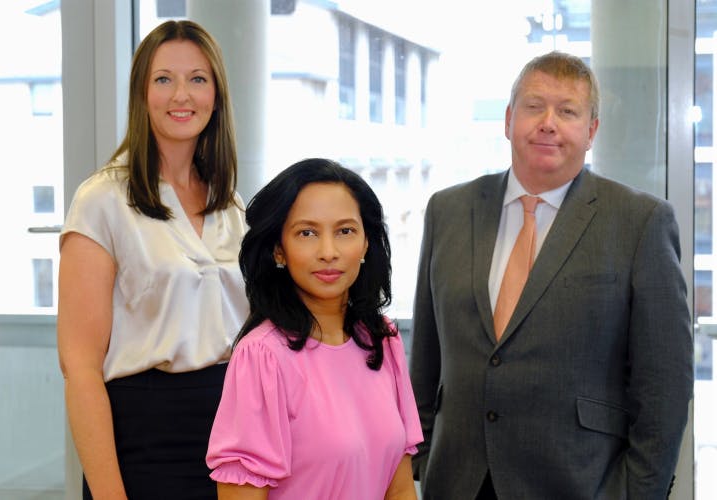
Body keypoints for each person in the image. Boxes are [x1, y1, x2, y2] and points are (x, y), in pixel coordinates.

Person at [409, 51, 693, 499]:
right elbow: (424, 357)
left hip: (580, 482)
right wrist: (420, 457)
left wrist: (636, 492)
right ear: (508, 120)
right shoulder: (448, 210)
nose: (548, 122)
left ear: (591, 131)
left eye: (567, 111)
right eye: (534, 106)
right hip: (456, 480)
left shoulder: (640, 221)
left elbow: (665, 388)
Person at [57, 20, 247, 499]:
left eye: (197, 79)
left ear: (217, 96)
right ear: (142, 93)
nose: (181, 94)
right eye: (164, 79)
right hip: (145, 442)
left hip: (236, 436)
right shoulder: (102, 199)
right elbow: (79, 366)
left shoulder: (232, 204)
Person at [206, 158, 423, 499]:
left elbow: (399, 490)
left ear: (366, 243)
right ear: (279, 249)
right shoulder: (262, 356)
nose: (328, 252)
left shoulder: (382, 339)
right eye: (307, 233)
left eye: (345, 231)